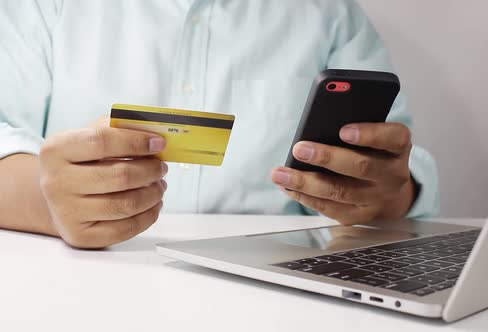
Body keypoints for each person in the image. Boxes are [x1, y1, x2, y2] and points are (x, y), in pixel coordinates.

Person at [0, 0, 439, 249]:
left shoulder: (329, 14)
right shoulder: (39, 7)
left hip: (282, 292)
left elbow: (392, 170)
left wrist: (386, 194)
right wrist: (51, 203)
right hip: (84, 283)